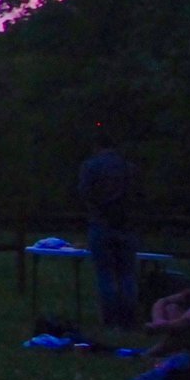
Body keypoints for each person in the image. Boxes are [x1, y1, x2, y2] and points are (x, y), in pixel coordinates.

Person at [77, 126, 139, 331]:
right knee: (127, 274)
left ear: (96, 146)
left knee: (105, 274)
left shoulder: (90, 166)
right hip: (127, 226)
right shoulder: (128, 167)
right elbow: (137, 195)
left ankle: (111, 321)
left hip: (101, 225)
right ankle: (129, 320)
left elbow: (85, 193)